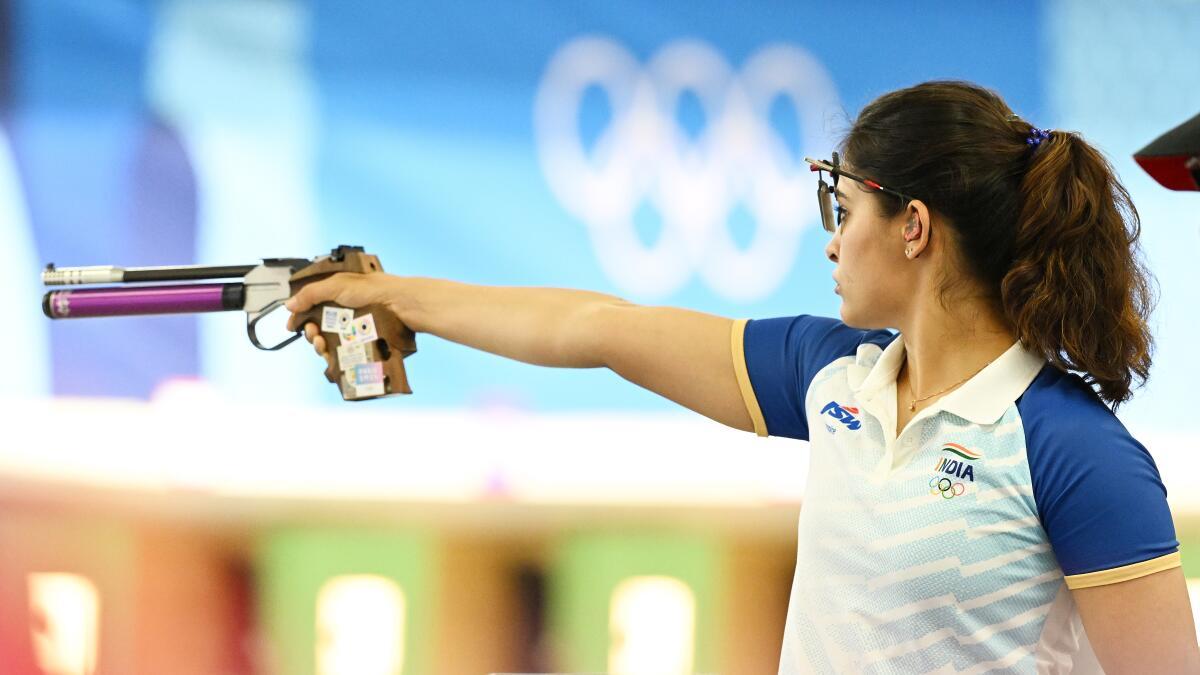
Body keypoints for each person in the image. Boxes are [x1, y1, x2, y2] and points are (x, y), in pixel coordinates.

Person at [287, 80, 1200, 673]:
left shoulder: (1076, 454)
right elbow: (599, 326)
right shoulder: (835, 372)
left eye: (842, 211)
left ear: (914, 226)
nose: (833, 242)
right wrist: (396, 294)